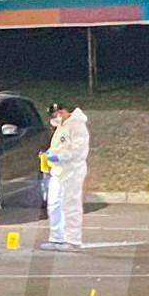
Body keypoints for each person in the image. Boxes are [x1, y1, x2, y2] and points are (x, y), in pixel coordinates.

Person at [41, 103, 89, 252]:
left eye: (55, 115)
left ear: (62, 112)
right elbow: (58, 147)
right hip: (59, 171)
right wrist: (48, 155)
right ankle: (57, 237)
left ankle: (73, 240)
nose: (54, 119)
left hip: (72, 170)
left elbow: (78, 151)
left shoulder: (77, 126)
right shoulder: (61, 126)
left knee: (70, 204)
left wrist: (59, 157)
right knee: (54, 203)